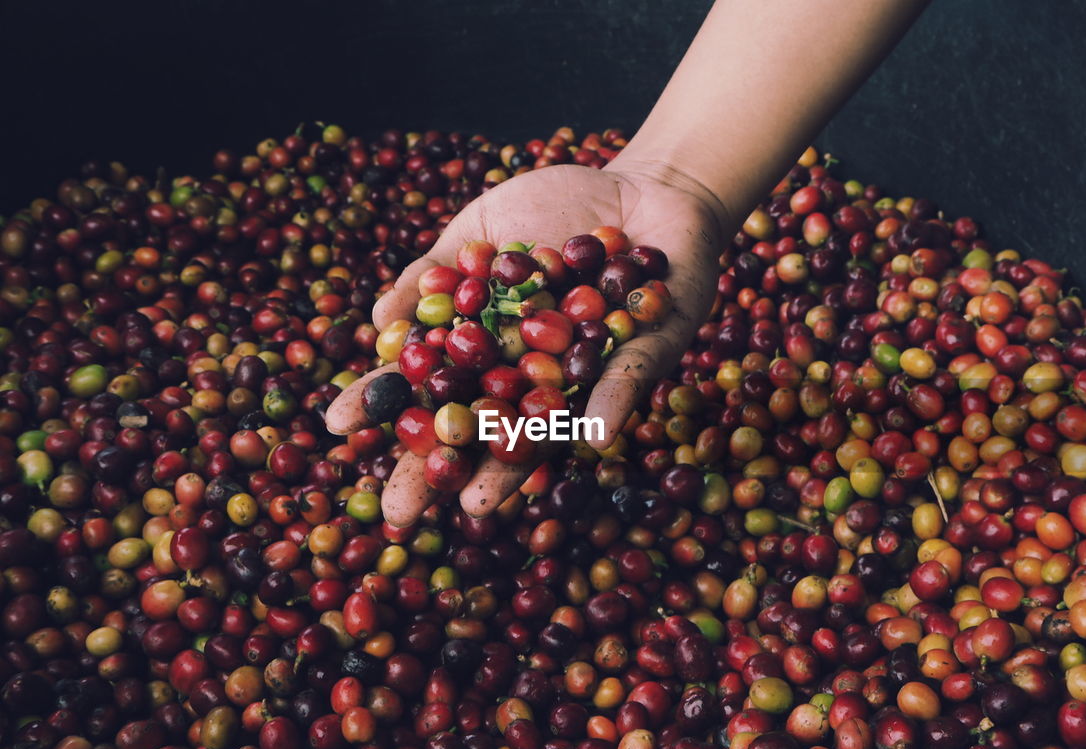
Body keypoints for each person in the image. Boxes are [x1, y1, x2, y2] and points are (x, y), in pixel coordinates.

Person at [324, 0, 930, 525]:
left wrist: (679, 185)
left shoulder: (543, 322)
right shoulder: (516, 334)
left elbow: (530, 355)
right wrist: (674, 177)